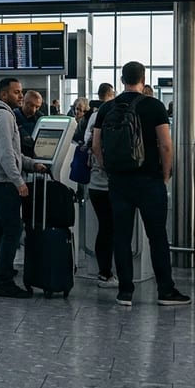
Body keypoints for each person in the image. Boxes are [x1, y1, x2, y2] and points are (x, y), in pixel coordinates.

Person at [93, 61, 191, 307]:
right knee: (157, 236)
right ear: (143, 78)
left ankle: (125, 291)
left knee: (121, 236)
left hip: (118, 182)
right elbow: (166, 145)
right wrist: (165, 174)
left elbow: (96, 145)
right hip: (149, 180)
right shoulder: (154, 106)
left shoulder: (107, 108)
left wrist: (108, 168)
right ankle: (165, 291)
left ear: (121, 79)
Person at [0, 78, 48, 298]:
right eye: (16, 92)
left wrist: (30, 164)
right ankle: (5, 281)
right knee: (12, 230)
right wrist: (18, 181)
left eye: (21, 92)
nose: (20, 95)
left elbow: (12, 152)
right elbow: (5, 153)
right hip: (0, 181)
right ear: (4, 95)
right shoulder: (4, 116)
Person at [78, 82, 116, 288]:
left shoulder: (93, 116)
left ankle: (104, 272)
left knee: (105, 228)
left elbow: (86, 144)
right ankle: (109, 272)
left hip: (95, 182)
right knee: (114, 229)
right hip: (113, 183)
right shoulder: (113, 115)